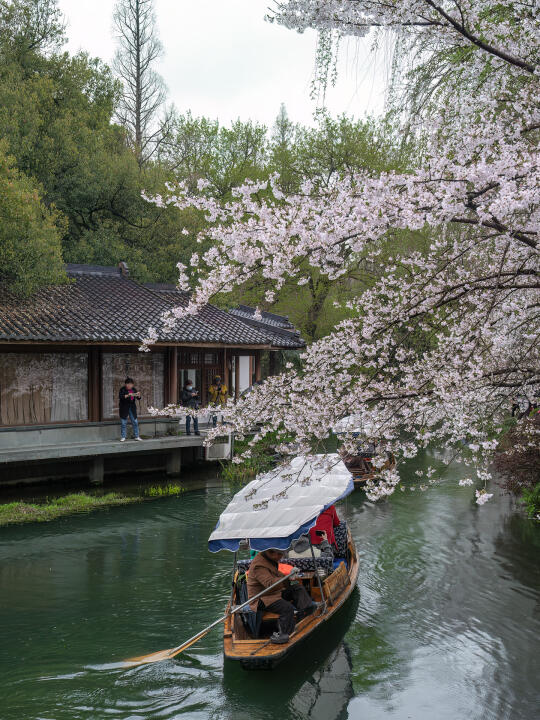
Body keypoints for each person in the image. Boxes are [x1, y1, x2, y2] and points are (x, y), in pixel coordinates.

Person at [247, 548, 318, 644]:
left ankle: (303, 613)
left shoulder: (269, 559)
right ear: (272, 553)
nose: (281, 557)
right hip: (262, 598)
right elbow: (270, 584)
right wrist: (287, 577)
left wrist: (289, 575)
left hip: (274, 593)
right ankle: (284, 634)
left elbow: (277, 575)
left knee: (298, 588)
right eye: (280, 555)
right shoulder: (259, 566)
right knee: (287, 608)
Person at [119, 377, 142, 442]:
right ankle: (123, 437)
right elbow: (120, 397)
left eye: (130, 384)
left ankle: (137, 436)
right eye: (127, 384)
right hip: (124, 407)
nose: (129, 385)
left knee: (135, 422)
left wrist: (139, 395)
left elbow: (138, 398)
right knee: (123, 423)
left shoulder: (134, 389)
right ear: (125, 384)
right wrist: (128, 395)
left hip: (132, 408)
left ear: (132, 384)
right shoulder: (122, 389)